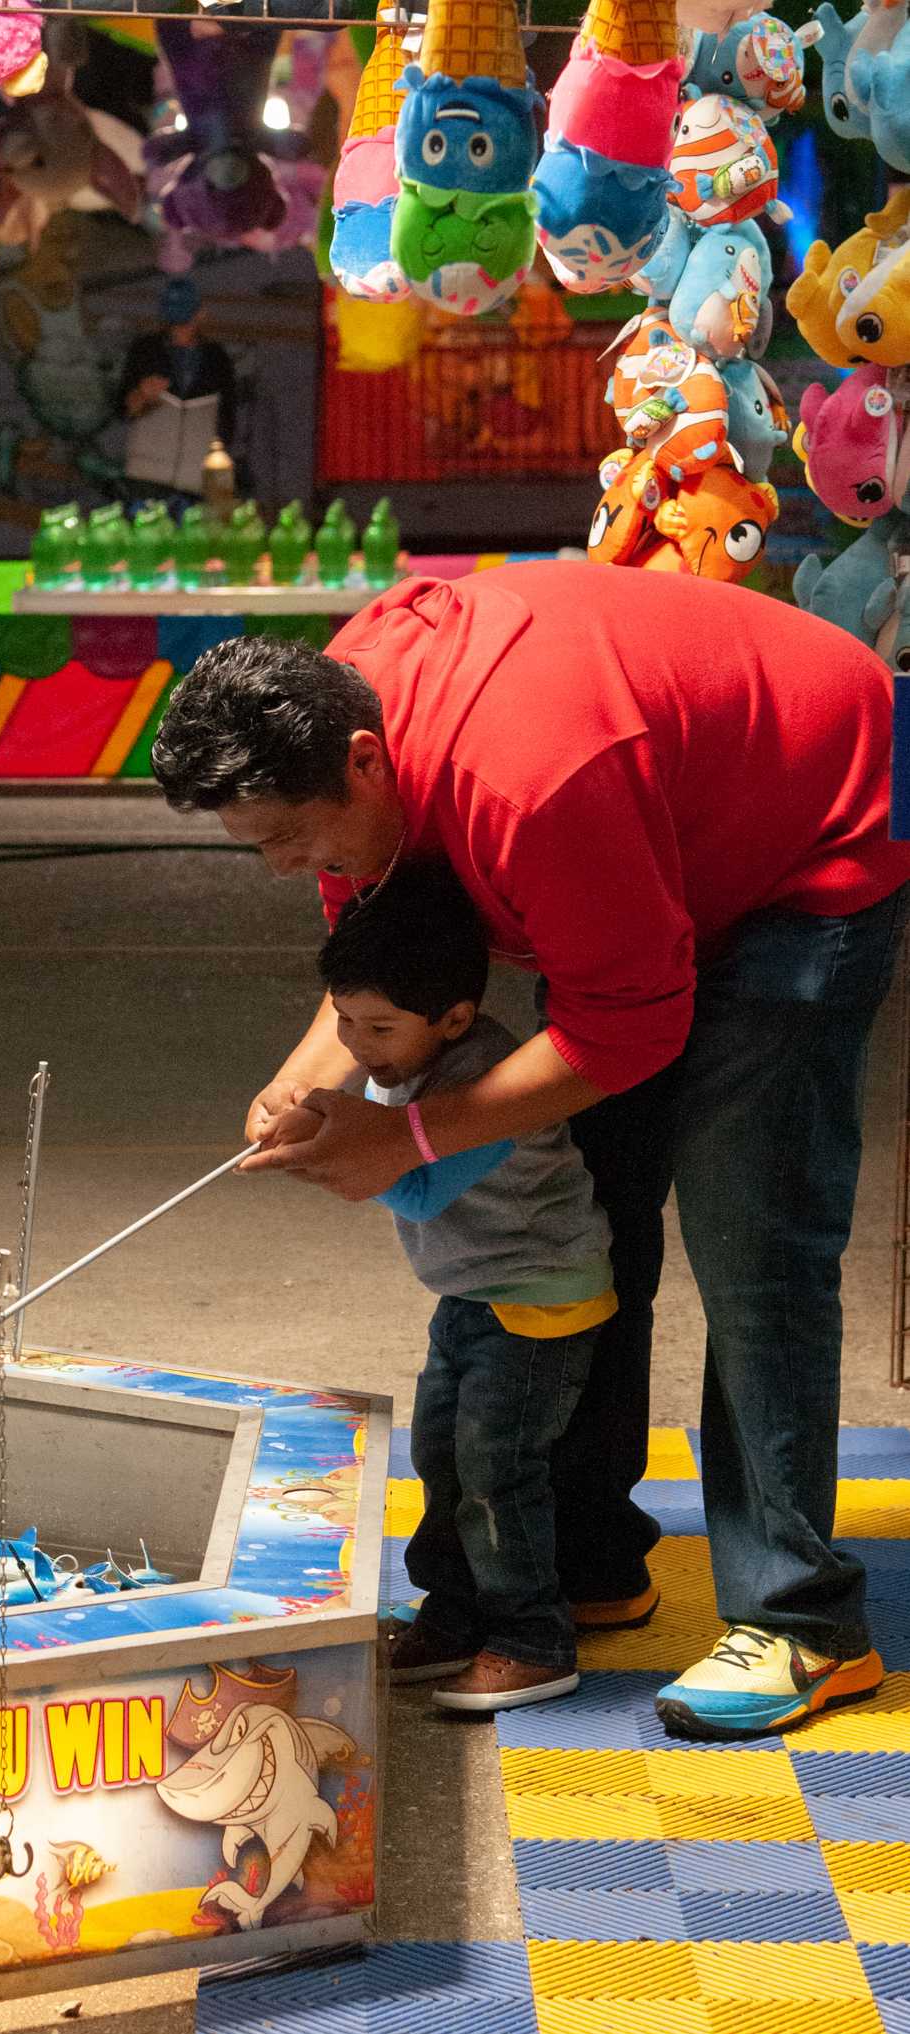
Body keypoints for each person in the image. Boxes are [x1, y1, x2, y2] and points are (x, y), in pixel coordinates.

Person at [151, 560, 910, 1741]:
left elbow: (635, 1022)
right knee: (585, 1212)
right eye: (261, 850)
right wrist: (317, 1072)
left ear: (363, 760)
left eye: (296, 840)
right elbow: (376, 913)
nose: (291, 870)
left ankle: (807, 1620)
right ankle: (583, 1558)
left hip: (803, 844)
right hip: (646, 831)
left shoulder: (536, 782)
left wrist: (403, 1136)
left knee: (752, 1240)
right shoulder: (341, 700)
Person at [319, 862, 616, 1711]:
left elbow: (413, 1186)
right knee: (438, 1453)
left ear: (452, 1018)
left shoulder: (484, 1085)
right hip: (474, 1294)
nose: (357, 1047)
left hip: (540, 1301)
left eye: (377, 1027)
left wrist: (326, 1149)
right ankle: (450, 1616)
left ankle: (531, 1638)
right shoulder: (405, 1060)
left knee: (495, 1467)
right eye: (343, 1022)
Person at [117, 275, 238, 493]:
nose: (182, 327)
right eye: (177, 320)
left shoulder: (216, 358)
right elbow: (122, 408)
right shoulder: (146, 350)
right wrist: (142, 396)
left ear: (200, 313)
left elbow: (228, 420)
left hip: (196, 481)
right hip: (147, 478)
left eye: (186, 318)